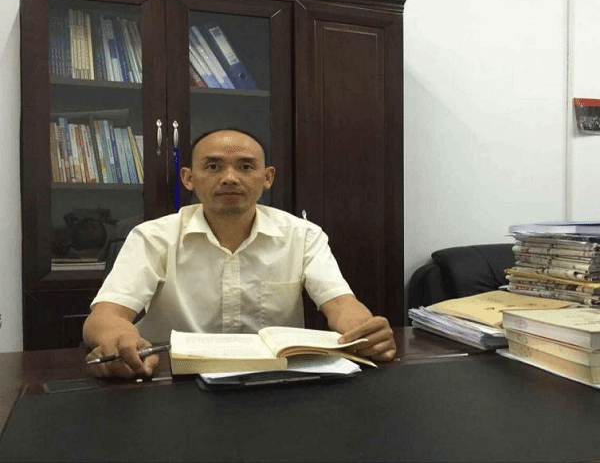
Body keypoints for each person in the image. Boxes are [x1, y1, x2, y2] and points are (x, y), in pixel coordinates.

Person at [83, 129, 396, 378]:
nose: (230, 177)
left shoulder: (303, 235)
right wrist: (118, 339)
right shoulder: (154, 237)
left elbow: (340, 304)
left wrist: (364, 331)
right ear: (188, 178)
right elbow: (106, 316)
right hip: (174, 378)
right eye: (213, 166)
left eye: (246, 167)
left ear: (267, 177)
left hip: (273, 382)